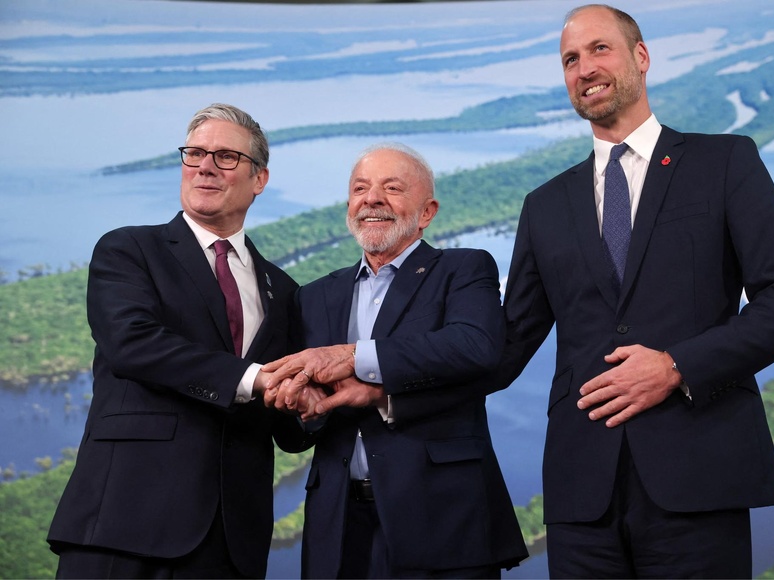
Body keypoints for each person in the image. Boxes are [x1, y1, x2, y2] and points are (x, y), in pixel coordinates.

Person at [496, 5, 774, 578]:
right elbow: (503, 345)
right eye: (570, 59)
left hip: (700, 473)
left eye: (600, 49)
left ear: (640, 58)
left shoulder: (724, 162)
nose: (584, 68)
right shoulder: (544, 205)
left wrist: (676, 365)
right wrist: (373, 373)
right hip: (581, 494)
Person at [47, 103, 312, 579]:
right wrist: (253, 378)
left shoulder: (283, 289)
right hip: (125, 525)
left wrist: (326, 396)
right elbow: (133, 344)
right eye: (194, 154)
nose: (205, 166)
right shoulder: (128, 249)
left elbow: (291, 428)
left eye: (226, 157)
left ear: (260, 179)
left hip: (231, 542)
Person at [262, 142, 528, 579]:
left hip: (441, 518)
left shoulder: (462, 270)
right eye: (360, 188)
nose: (372, 198)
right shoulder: (313, 297)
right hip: (338, 523)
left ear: (427, 212)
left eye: (392, 188)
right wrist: (304, 409)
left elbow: (475, 346)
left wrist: (352, 357)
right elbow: (295, 436)